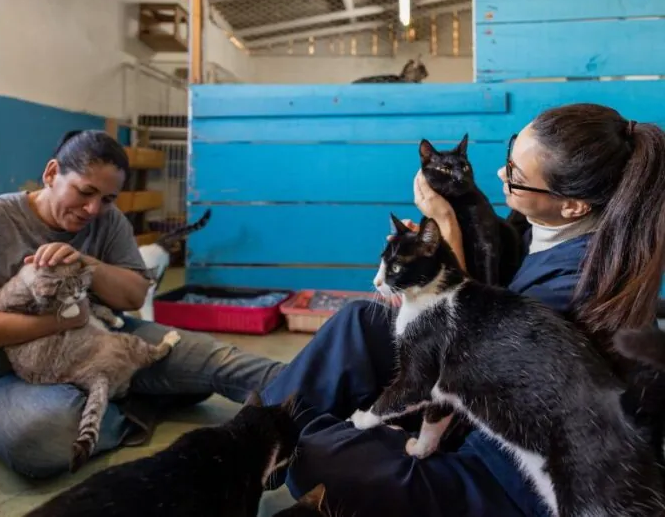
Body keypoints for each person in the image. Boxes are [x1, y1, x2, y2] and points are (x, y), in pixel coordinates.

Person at [259, 103, 665, 517]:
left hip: (505, 467)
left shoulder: (571, 285)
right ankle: (252, 444)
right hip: (485, 380)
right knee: (358, 323)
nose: (501, 175)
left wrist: (447, 227)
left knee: (319, 453)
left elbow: (468, 351)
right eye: (510, 157)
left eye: (517, 177)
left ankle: (279, 445)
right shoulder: (541, 223)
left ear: (573, 205)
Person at [0, 130, 285, 479]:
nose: (93, 209)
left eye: (107, 199)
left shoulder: (108, 219)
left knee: (222, 360)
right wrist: (58, 323)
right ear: (51, 173)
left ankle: (335, 395)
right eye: (85, 192)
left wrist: (88, 264)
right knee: (43, 434)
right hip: (4, 378)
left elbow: (135, 295)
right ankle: (145, 402)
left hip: (100, 345)